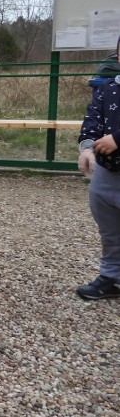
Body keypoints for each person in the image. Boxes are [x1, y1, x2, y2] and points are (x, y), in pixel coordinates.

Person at [76, 33, 120, 300]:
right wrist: (87, 148)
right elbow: (91, 121)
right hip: (106, 173)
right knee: (110, 231)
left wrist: (117, 139)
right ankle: (111, 277)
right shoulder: (108, 88)